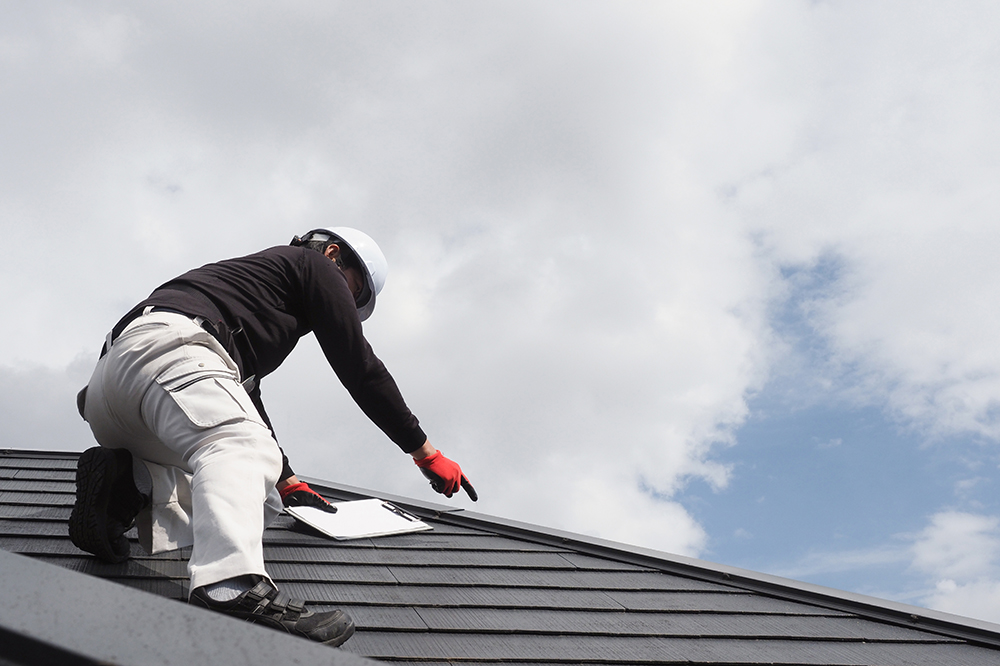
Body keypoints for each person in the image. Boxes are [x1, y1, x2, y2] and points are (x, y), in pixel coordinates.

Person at [70, 228, 476, 647]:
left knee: (260, 494)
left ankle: (129, 485)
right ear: (334, 254)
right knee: (240, 447)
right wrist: (424, 451)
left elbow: (242, 395)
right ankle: (228, 586)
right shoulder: (313, 265)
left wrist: (286, 478)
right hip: (172, 352)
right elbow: (360, 367)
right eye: (351, 292)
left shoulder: (251, 292)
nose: (347, 306)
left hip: (111, 391)